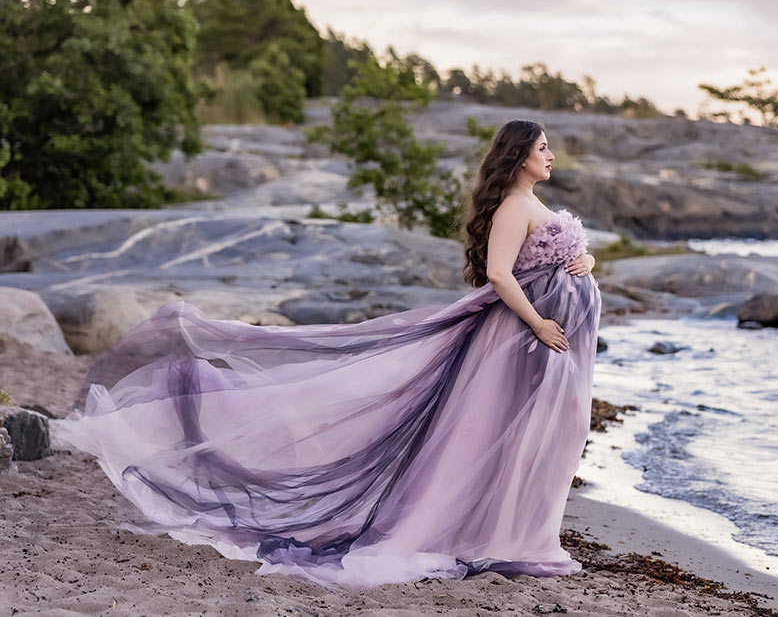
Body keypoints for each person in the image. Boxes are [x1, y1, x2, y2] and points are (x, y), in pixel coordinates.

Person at [52, 118, 602, 593]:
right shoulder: (511, 205)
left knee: (534, 436)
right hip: (520, 339)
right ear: (519, 154)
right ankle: (484, 534)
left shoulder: (533, 201)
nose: (550, 155)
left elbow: (555, 254)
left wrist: (587, 264)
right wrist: (538, 322)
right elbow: (501, 274)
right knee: (494, 436)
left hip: (540, 341)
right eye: (543, 148)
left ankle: (512, 534)